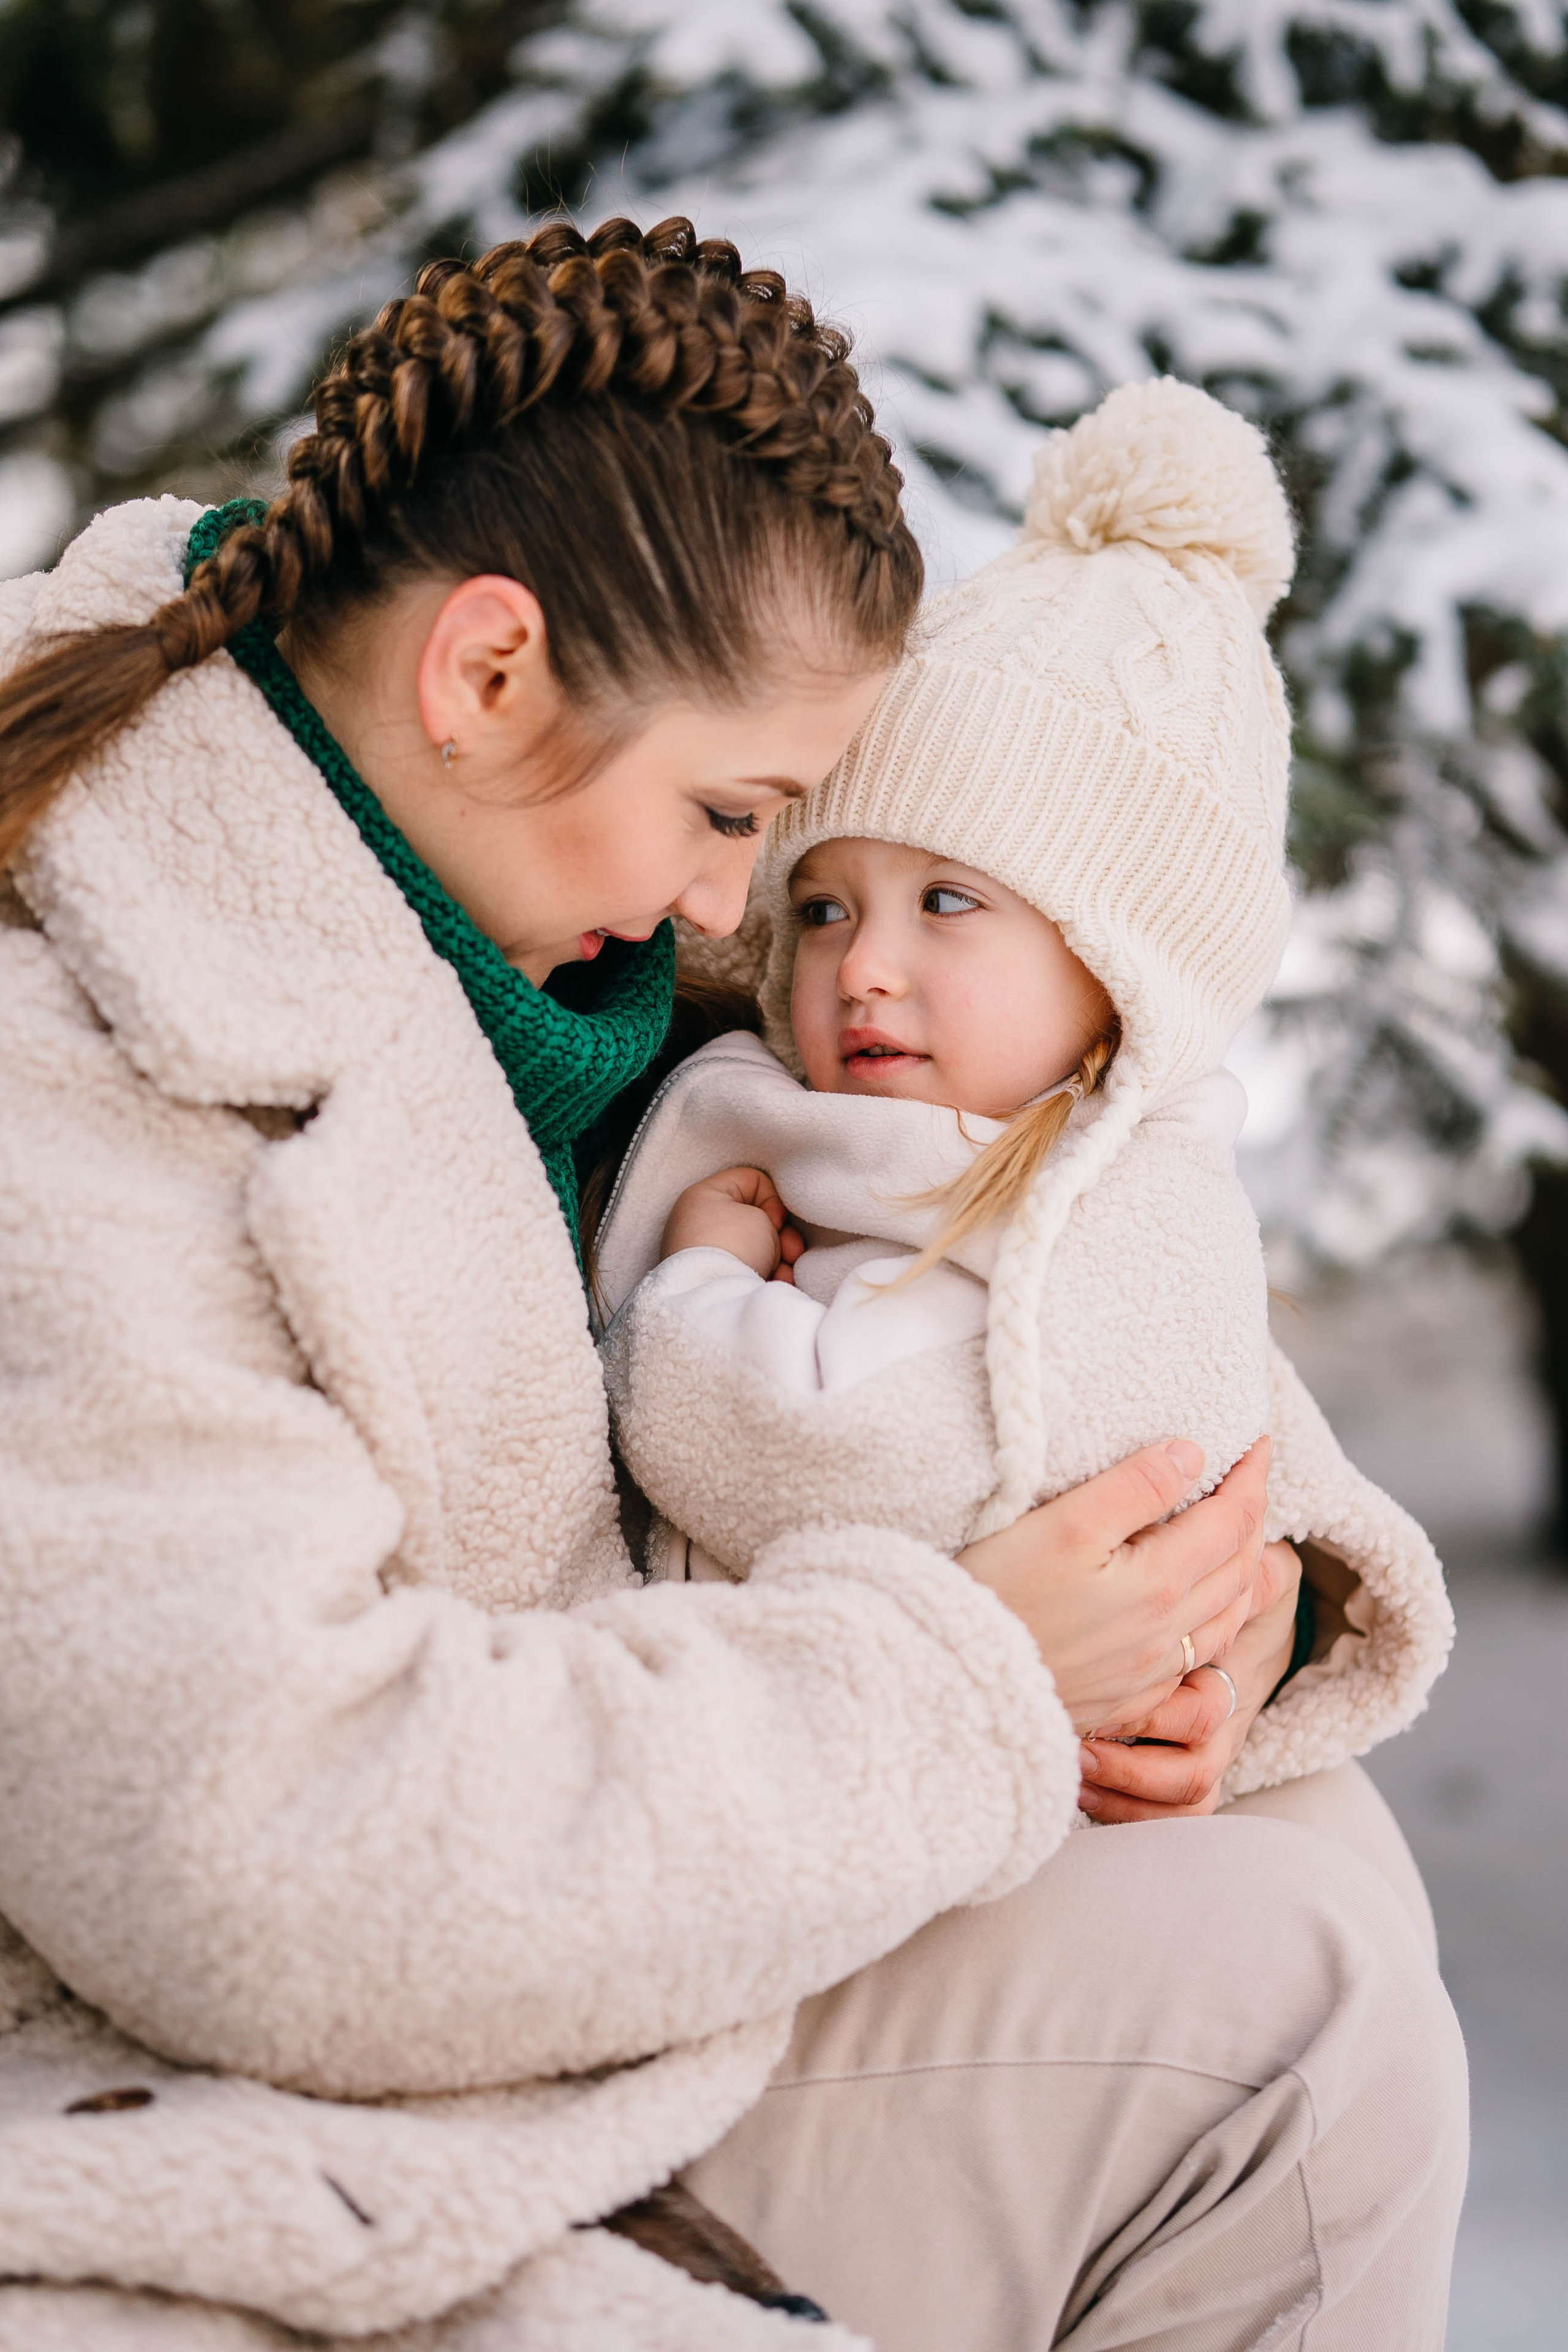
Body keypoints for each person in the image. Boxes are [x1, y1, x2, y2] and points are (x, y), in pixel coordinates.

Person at [0, 219, 1463, 2350]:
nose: (744, 914)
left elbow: (1030, 1181)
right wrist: (966, 1669)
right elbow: (265, 1866)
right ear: (486, 670)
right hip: (304, 2073)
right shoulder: (79, 1063)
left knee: (1311, 1858)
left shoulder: (550, 931)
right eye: (735, 820)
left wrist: (1230, 1594)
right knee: (1300, 2023)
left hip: (627, 1894)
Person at [595, 378, 1452, 1823]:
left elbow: (825, 1460)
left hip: (917, 1788)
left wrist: (695, 1287)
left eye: (945, 903)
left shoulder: (1107, 1216)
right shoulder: (913, 1135)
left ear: (1115, 970)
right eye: (816, 908)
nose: (861, 967)